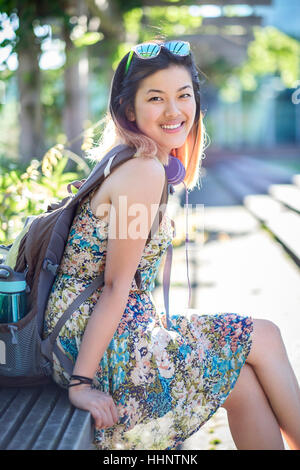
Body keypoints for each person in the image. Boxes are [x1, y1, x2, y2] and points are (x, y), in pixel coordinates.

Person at [43, 39, 300, 450]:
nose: (174, 111)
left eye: (183, 96)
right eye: (156, 98)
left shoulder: (130, 159)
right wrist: (81, 384)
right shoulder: (143, 172)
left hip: (100, 329)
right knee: (264, 336)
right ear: (129, 110)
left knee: (246, 381)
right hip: (96, 345)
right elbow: (115, 286)